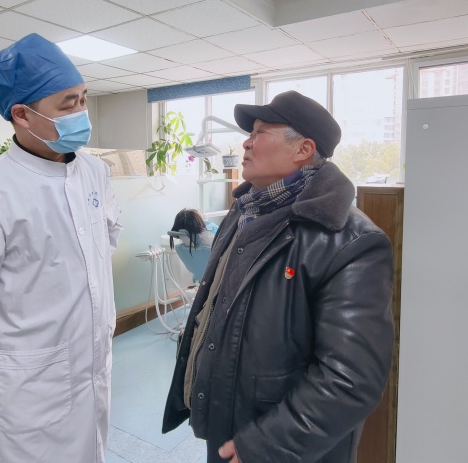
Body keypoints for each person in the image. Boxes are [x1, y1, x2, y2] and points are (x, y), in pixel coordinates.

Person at [162, 91, 394, 463]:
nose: (246, 142)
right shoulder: (243, 213)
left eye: (260, 132)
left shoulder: (350, 241)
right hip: (227, 427)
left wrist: (264, 446)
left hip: (281, 447)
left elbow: (350, 379)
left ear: (303, 149)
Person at [0, 33, 123, 463]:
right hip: (32, 388)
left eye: (83, 99)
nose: (82, 113)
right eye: (68, 105)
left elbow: (104, 244)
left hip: (94, 370)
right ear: (22, 115)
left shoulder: (94, 172)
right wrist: (22, 358)